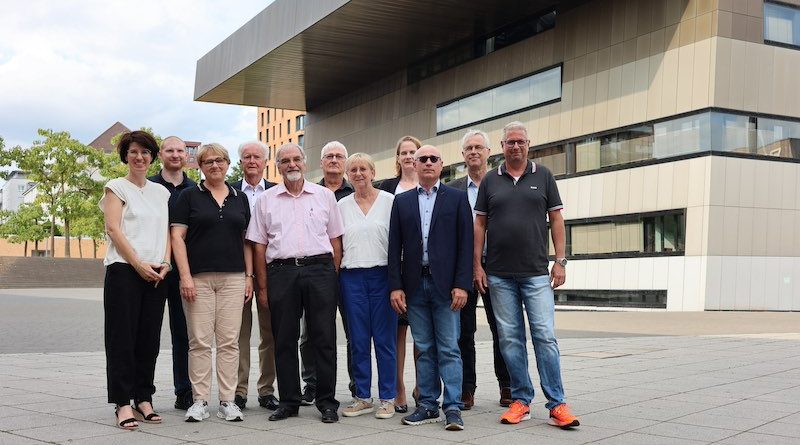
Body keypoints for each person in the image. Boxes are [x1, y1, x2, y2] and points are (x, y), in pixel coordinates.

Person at [473, 121, 580, 428]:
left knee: (544, 336)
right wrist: (476, 266)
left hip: (536, 273)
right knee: (510, 338)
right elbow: (479, 225)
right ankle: (521, 400)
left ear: (528, 144)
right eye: (510, 142)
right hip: (499, 275)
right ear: (502, 147)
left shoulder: (543, 175)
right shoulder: (491, 181)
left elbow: (557, 219)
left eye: (520, 141)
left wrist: (560, 261)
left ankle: (557, 404)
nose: (515, 146)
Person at [246, 143, 344, 424]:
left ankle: (327, 401)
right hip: (282, 273)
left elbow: (336, 240)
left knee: (323, 338)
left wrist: (331, 276)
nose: (292, 165)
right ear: (277, 166)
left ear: (305, 162)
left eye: (296, 159)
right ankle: (289, 401)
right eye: (285, 161)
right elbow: (260, 247)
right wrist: (263, 288)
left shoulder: (324, 196)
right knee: (284, 339)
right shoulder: (266, 200)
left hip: (319, 271)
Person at [388, 144, 473, 431]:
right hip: (414, 285)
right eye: (421, 158)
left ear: (440, 165)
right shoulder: (402, 202)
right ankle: (427, 405)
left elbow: (466, 245)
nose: (426, 162)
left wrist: (462, 284)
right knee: (423, 348)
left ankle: (452, 407)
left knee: (449, 348)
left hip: (447, 286)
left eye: (432, 159)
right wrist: (396, 286)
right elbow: (394, 248)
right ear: (414, 164)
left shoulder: (457, 199)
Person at [171, 143, 253, 423]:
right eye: (208, 162)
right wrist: (184, 276)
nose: (215, 165)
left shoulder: (240, 198)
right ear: (200, 166)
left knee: (230, 342)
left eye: (220, 161)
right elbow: (177, 238)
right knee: (200, 342)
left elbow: (246, 242)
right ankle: (200, 401)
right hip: (198, 280)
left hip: (233, 278)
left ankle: (228, 401)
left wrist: (249, 277)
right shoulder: (188, 196)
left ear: (228, 164)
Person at [100, 130, 170, 430]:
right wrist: (138, 264)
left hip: (156, 273)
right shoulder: (116, 188)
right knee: (122, 339)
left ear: (153, 156)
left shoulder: (162, 192)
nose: (139, 157)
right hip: (124, 271)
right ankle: (122, 403)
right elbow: (114, 230)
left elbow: (168, 230)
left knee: (148, 340)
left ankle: (143, 398)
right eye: (133, 152)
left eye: (145, 152)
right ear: (125, 156)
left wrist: (165, 262)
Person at [447, 130, 512, 409]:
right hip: (462, 267)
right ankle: (466, 388)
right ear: (463, 156)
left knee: (503, 329)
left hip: (497, 266)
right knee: (463, 331)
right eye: (468, 148)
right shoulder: (452, 189)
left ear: (489, 152)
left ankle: (507, 386)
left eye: (478, 147)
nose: (474, 152)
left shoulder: (502, 183)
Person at [337, 153, 397, 419]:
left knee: (384, 340)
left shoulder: (390, 202)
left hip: (383, 275)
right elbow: (335, 244)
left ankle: (387, 398)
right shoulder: (341, 205)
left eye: (363, 169)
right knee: (358, 340)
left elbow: (399, 244)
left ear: (373, 172)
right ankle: (362, 396)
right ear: (347, 175)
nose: (359, 174)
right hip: (351, 277)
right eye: (353, 170)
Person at [298, 141, 356, 405]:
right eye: (328, 156)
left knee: (353, 330)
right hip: (317, 272)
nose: (334, 160)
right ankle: (312, 384)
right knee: (310, 332)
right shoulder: (308, 192)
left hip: (350, 272)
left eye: (338, 156)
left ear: (345, 162)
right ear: (320, 162)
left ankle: (358, 384)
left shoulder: (357, 190)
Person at [148, 135, 196, 411]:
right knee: (148, 333)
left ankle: (184, 391)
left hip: (184, 271)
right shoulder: (149, 186)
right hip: (154, 269)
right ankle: (144, 391)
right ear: (161, 154)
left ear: (186, 156)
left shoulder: (195, 188)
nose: (176, 154)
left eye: (180, 150)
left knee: (184, 334)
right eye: (170, 150)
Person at [230, 141, 279, 411]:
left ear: (265, 161)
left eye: (257, 157)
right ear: (241, 161)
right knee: (239, 335)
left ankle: (266, 390)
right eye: (246, 156)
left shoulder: (277, 191)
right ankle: (239, 391)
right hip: (236, 272)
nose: (252, 161)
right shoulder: (228, 191)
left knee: (269, 334)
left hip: (272, 271)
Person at [378, 135, 421, 413]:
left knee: (423, 332)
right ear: (397, 158)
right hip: (395, 268)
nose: (408, 156)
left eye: (412, 152)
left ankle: (422, 385)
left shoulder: (430, 184)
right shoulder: (386, 188)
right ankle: (399, 388)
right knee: (397, 332)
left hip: (422, 269)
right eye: (403, 152)